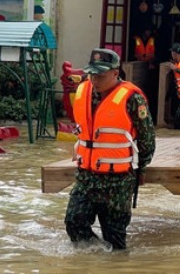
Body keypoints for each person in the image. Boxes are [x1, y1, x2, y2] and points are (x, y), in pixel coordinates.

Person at [64, 48, 156, 250]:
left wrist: (139, 169)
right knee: (73, 222)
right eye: (92, 74)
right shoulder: (83, 92)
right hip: (86, 176)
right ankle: (96, 258)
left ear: (116, 73)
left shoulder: (133, 99)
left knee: (114, 238)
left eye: (101, 75)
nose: (95, 80)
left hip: (119, 181)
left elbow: (147, 140)